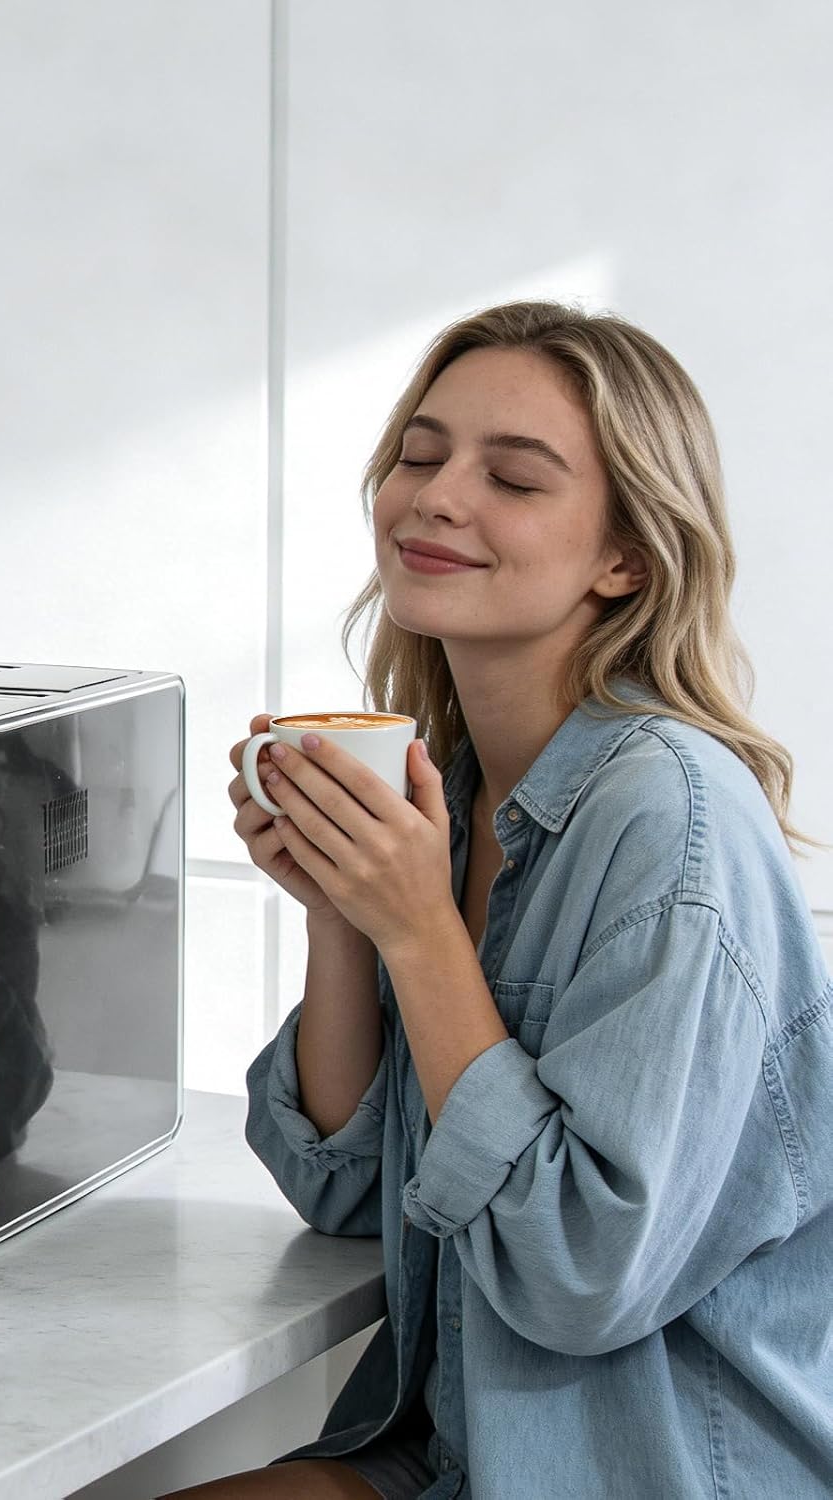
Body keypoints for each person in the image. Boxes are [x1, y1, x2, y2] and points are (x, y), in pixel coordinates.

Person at [172, 301, 833, 1497]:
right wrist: (343, 913)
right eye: (419, 456)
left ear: (628, 559)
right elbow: (342, 1192)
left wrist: (420, 930)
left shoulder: (670, 822)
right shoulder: (461, 788)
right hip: (453, 1452)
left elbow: (580, 1279)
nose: (435, 497)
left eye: (512, 479)